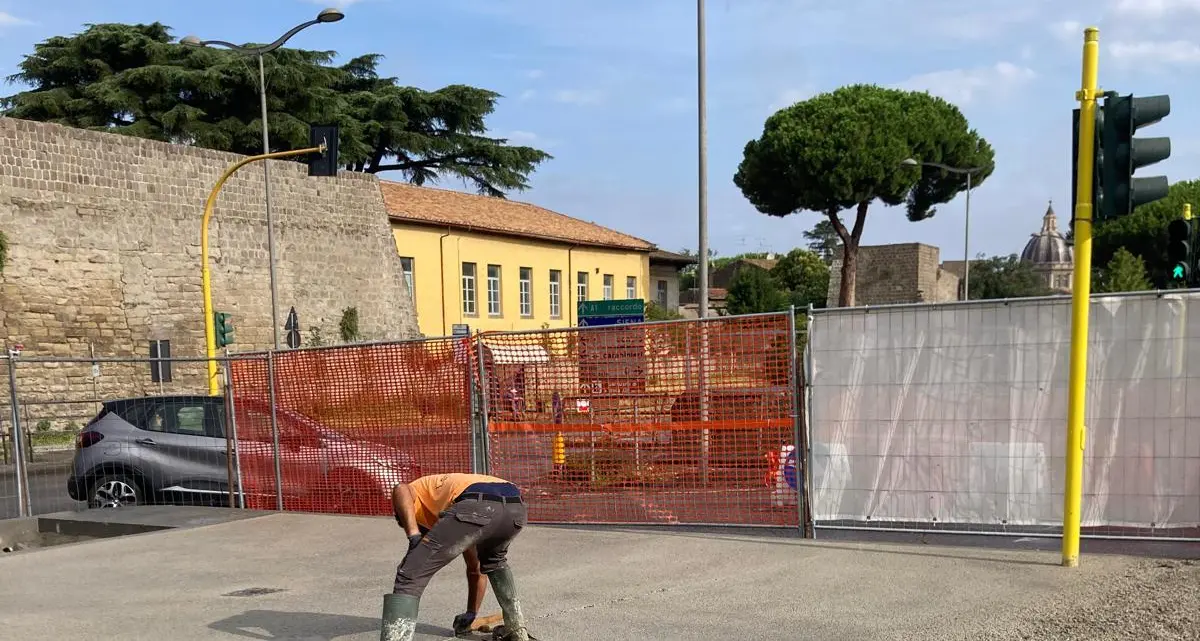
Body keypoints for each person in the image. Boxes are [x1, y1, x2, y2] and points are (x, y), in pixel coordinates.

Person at [379, 472, 532, 641]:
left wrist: (414, 536)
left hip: (476, 505)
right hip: (515, 508)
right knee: (495, 562)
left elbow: (400, 489)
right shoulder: (448, 510)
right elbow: (475, 569)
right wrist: (471, 614)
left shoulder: (416, 494)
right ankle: (517, 631)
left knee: (409, 573)